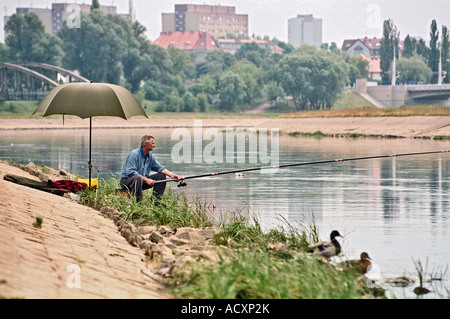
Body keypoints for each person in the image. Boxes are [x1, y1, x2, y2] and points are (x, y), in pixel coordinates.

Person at [120, 135, 180, 202]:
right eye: (153, 143)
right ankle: (138, 203)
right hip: (126, 182)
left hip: (141, 181)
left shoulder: (150, 156)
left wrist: (171, 175)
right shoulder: (134, 154)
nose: (154, 145)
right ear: (146, 144)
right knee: (138, 177)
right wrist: (146, 180)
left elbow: (159, 168)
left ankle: (155, 201)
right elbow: (130, 172)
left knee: (161, 176)